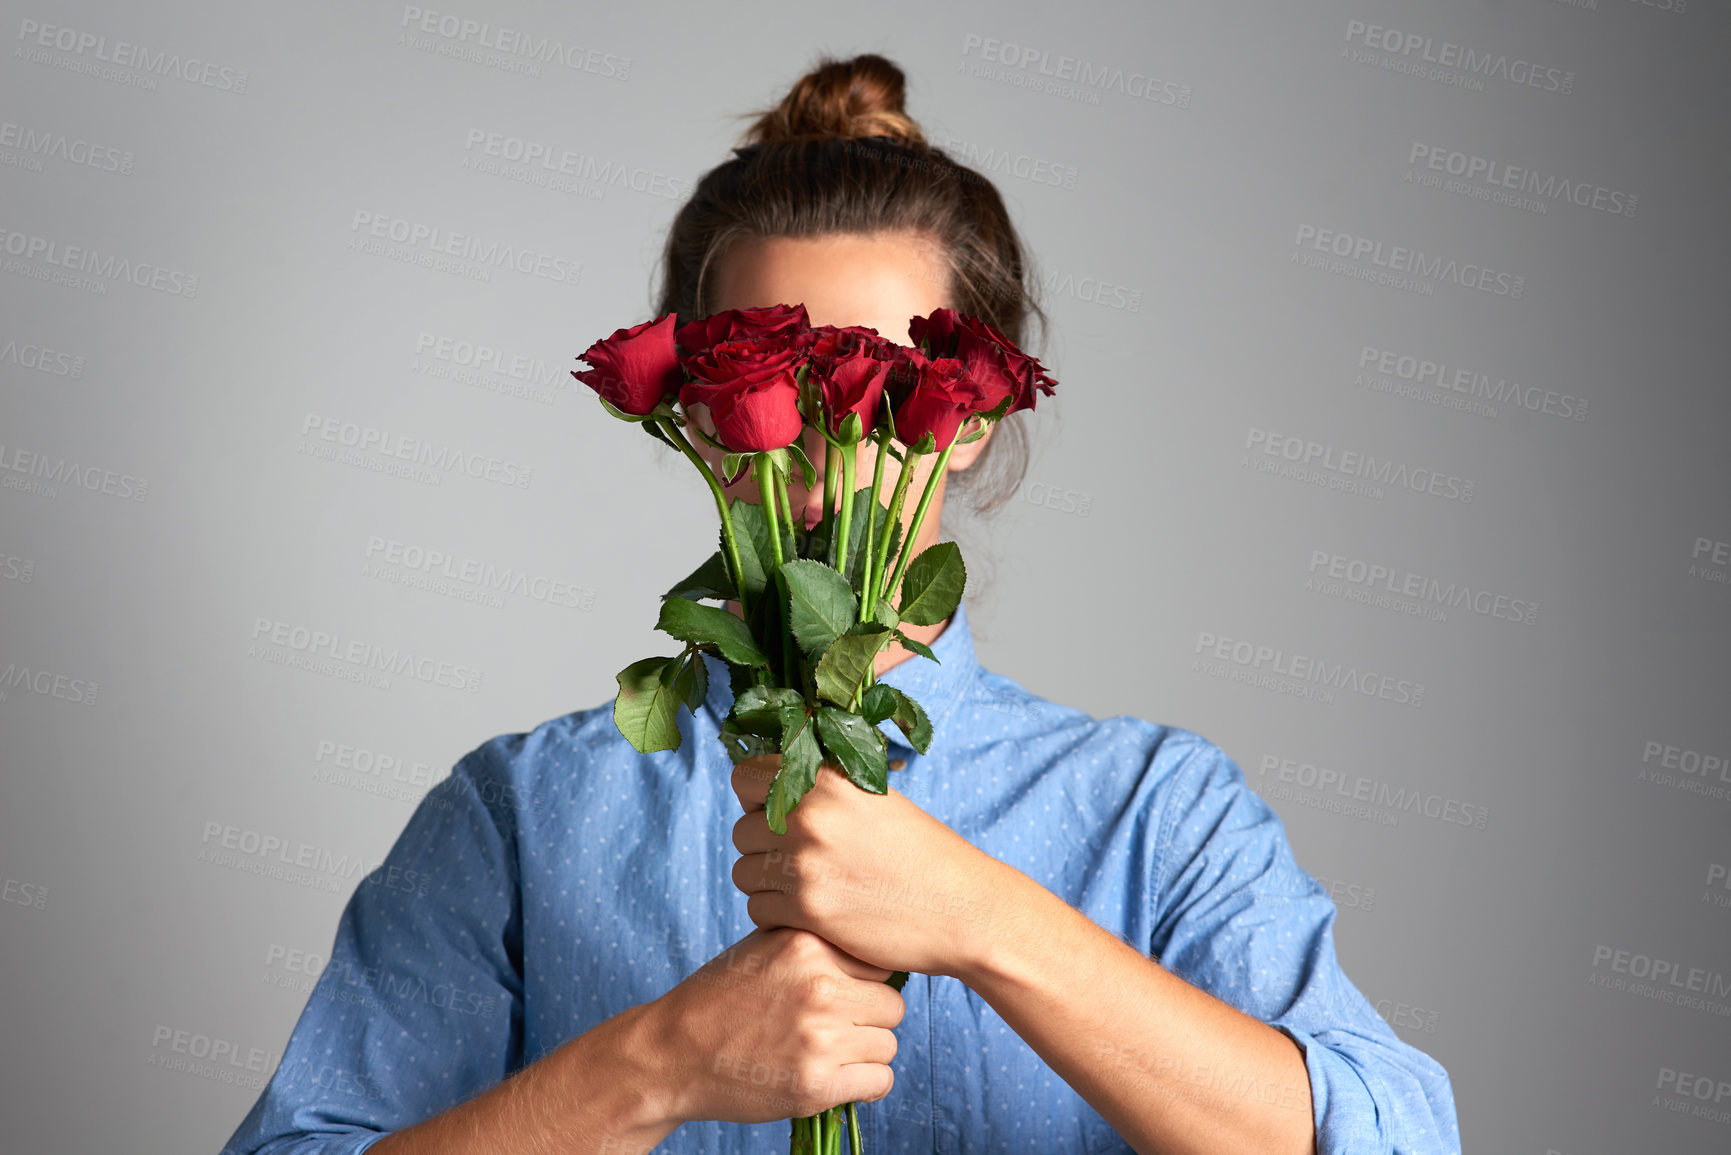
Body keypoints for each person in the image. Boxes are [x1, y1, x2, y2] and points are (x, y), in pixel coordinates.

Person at [223, 53, 1460, 1155]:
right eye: (779, 376)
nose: (823, 439)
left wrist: (983, 918)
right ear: (700, 408)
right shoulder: (517, 817)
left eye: (873, 381)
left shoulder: (1158, 813)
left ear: (969, 418)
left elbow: (1391, 1137)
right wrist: (656, 1067)